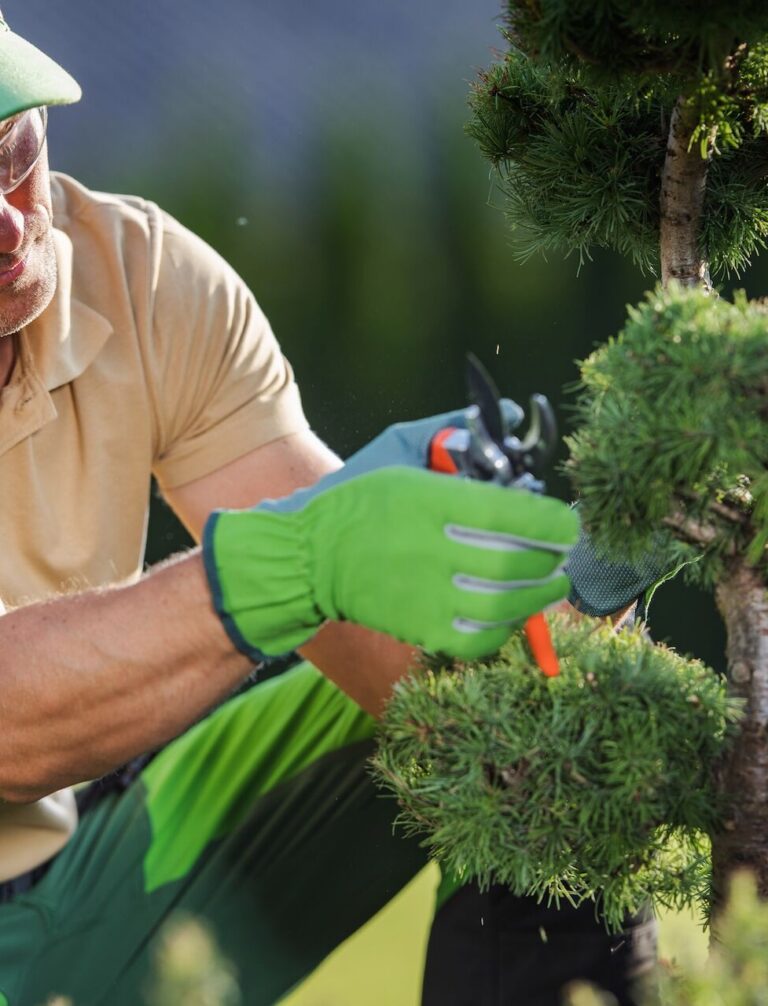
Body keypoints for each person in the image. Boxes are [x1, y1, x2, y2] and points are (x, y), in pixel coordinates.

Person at [0, 14, 582, 1006]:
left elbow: (372, 632)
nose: (14, 225)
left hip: (73, 882)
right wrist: (291, 560)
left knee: (523, 713)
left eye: (13, 155)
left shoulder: (137, 281)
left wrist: (577, 670)